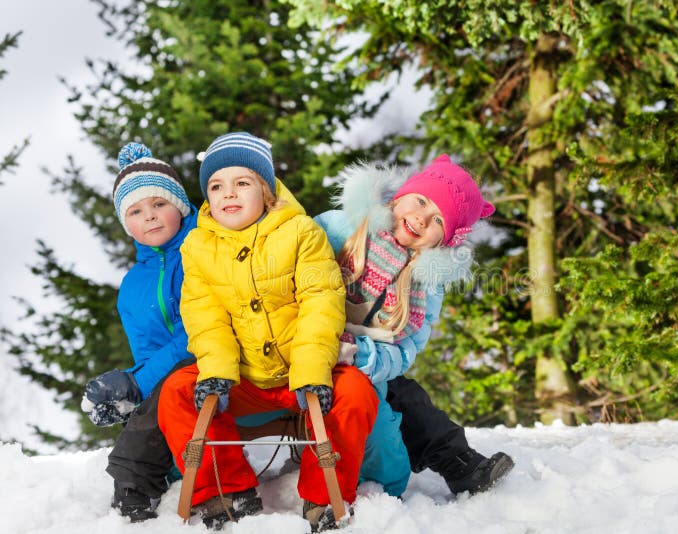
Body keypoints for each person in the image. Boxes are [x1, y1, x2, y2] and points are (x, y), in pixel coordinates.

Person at [155, 132, 378, 530]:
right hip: (242, 378)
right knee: (176, 391)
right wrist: (218, 372)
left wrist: (312, 371)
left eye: (242, 182)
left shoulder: (302, 233)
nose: (228, 194)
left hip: (303, 372)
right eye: (216, 186)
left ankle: (323, 496)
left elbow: (321, 302)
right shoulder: (198, 248)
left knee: (357, 391)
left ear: (267, 190)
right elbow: (205, 317)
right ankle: (227, 490)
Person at [315, 154, 515, 497]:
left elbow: (406, 351)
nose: (421, 218)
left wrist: (361, 357)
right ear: (400, 195)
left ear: (445, 240)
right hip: (308, 342)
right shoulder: (340, 227)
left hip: (364, 360)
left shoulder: (424, 281)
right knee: (402, 398)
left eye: (438, 219)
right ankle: (455, 459)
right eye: (421, 200)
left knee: (404, 397)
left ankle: (456, 462)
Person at [80, 142, 198, 522]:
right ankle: (147, 484)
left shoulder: (203, 248)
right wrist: (134, 390)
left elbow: (200, 328)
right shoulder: (132, 288)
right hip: (175, 380)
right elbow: (148, 357)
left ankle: (135, 484)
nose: (150, 216)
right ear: (125, 222)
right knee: (155, 394)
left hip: (222, 360)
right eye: (136, 210)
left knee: (162, 385)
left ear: (179, 205)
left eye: (159, 203)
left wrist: (137, 381)